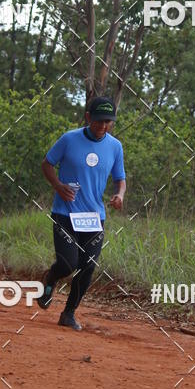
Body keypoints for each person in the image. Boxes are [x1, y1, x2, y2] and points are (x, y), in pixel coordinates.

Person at [38, 96, 126, 330]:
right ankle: (51, 277)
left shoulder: (115, 146)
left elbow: (120, 179)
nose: (103, 126)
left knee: (87, 266)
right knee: (68, 264)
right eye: (99, 121)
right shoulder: (69, 139)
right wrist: (58, 186)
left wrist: (119, 195)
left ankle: (68, 314)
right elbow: (47, 164)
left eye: (108, 122)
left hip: (94, 217)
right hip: (65, 213)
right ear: (88, 117)